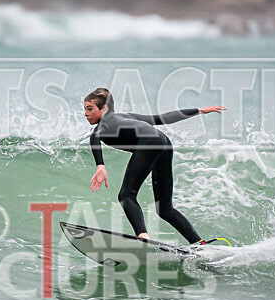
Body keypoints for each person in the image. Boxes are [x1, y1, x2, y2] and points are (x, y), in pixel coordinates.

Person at [84, 87, 226, 244]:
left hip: (149, 143)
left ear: (104, 109)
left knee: (126, 196)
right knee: (164, 209)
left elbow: (95, 138)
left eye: (90, 109)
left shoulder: (102, 126)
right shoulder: (127, 116)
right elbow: (161, 118)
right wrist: (198, 110)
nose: (86, 114)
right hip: (164, 142)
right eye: (85, 109)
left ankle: (143, 237)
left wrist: (100, 166)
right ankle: (200, 244)